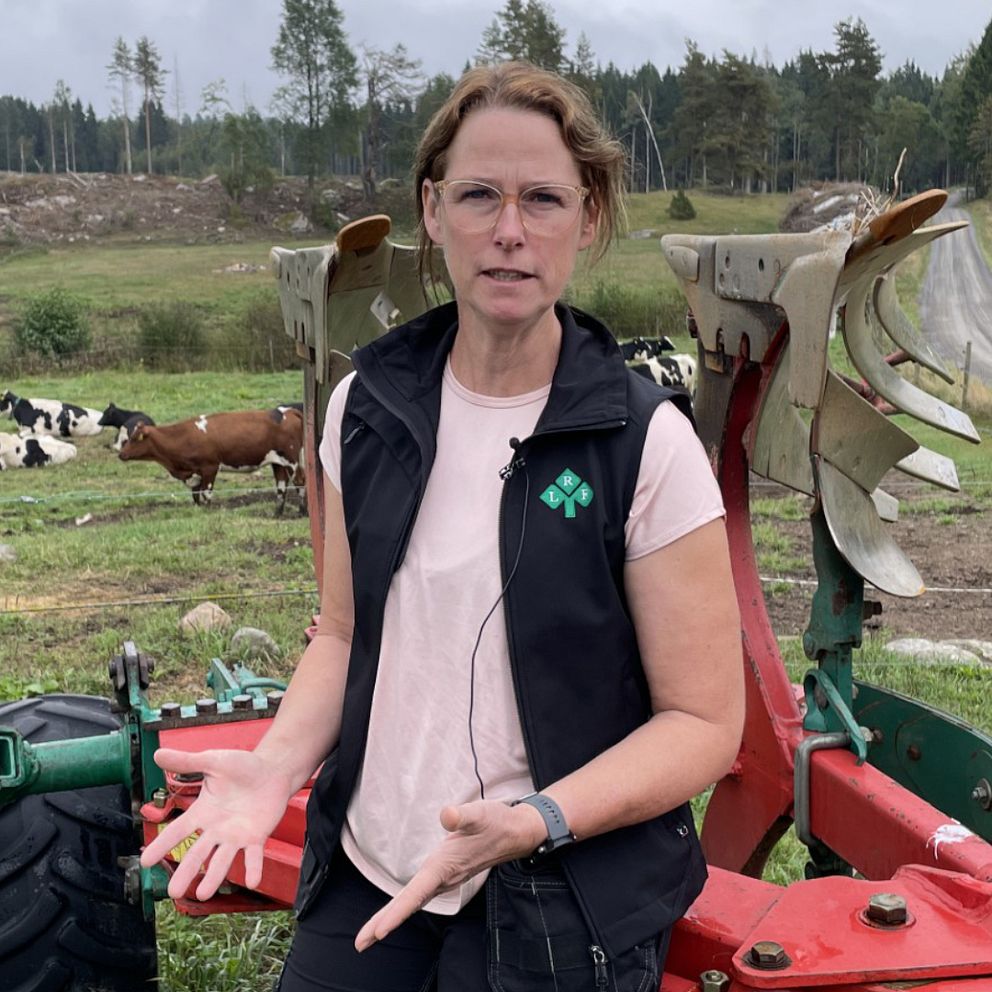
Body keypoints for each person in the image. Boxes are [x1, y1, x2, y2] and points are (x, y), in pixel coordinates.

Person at [140, 61, 744, 991]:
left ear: (587, 220)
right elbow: (344, 633)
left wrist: (539, 818)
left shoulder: (643, 445)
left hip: (559, 900)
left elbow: (703, 723)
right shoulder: (363, 409)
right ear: (432, 209)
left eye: (544, 199)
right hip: (371, 868)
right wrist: (275, 766)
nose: (509, 230)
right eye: (478, 195)